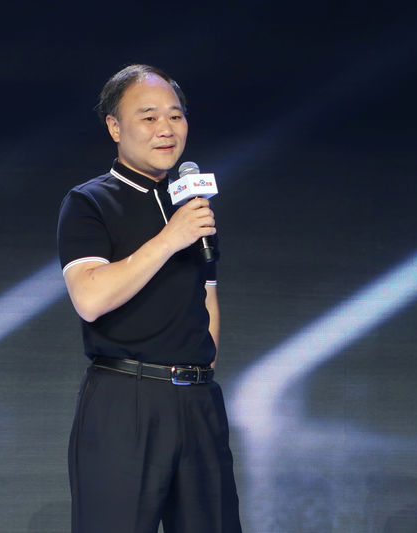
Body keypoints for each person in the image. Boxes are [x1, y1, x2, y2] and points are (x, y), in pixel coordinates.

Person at [57, 64, 242, 532]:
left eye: (175, 116)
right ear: (115, 127)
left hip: (197, 402)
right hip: (126, 401)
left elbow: (207, 298)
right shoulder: (90, 203)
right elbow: (91, 299)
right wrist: (168, 239)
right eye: (149, 117)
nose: (166, 129)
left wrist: (197, 374)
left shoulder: (191, 204)